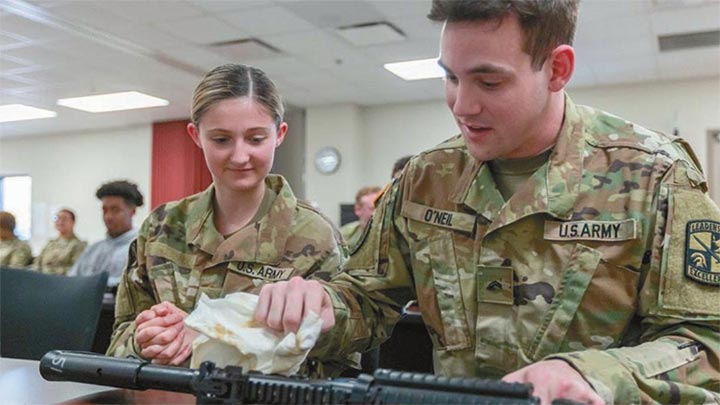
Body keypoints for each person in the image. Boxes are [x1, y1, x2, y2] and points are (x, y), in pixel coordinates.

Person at [253, 1, 720, 404]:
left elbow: (706, 344)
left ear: (557, 69)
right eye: (450, 77)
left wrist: (594, 375)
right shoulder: (426, 178)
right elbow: (368, 298)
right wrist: (320, 305)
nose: (461, 105)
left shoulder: (654, 176)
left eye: (489, 83)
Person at [106, 63, 352, 377]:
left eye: (255, 139)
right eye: (221, 140)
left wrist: (207, 336)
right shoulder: (161, 227)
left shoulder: (315, 236)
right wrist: (146, 339)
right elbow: (117, 342)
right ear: (196, 136)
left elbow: (339, 364)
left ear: (279, 135)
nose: (239, 156)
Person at [67, 180, 143, 286]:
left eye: (115, 210)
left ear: (132, 211)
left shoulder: (141, 250)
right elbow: (71, 280)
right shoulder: (93, 250)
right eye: (105, 210)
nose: (108, 216)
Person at [31, 208, 87, 275]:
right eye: (57, 218)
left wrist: (49, 271)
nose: (60, 222)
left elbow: (75, 270)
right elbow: (37, 263)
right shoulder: (50, 243)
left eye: (64, 219)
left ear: (73, 222)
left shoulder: (78, 245)